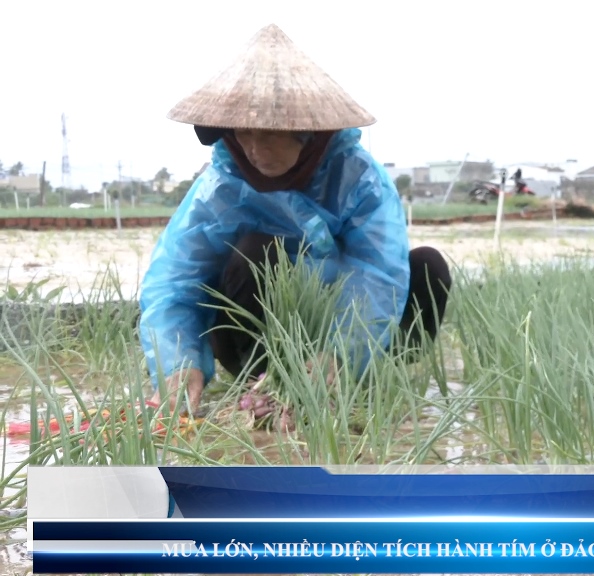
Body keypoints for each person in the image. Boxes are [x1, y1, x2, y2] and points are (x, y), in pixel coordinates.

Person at [139, 23, 452, 419]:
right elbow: (173, 282)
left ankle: (365, 375)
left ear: (309, 133)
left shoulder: (360, 180)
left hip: (343, 335)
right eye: (242, 133)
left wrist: (341, 353)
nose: (253, 149)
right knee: (255, 250)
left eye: (268, 133)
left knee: (427, 265)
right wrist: (177, 363)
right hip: (252, 335)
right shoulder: (219, 189)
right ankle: (264, 389)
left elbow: (376, 272)